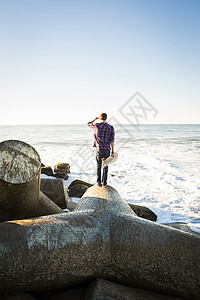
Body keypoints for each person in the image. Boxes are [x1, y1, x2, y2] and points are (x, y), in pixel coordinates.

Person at [87, 113, 115, 187]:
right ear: (106, 118)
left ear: (100, 118)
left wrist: (96, 118)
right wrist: (112, 151)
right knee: (105, 165)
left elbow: (89, 123)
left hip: (99, 149)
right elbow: (112, 140)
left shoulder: (97, 126)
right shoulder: (111, 127)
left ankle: (99, 182)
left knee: (98, 165)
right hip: (107, 149)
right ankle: (104, 183)